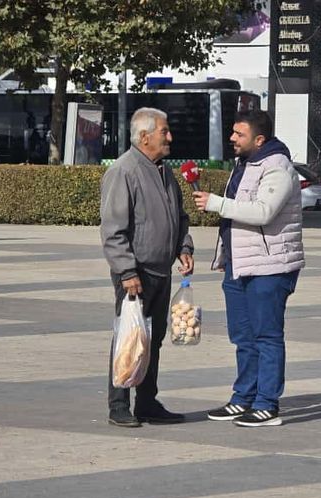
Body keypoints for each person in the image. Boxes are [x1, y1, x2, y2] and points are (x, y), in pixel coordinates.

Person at [192, 110, 304, 427]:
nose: (232, 138)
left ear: (259, 139)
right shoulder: (245, 165)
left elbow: (263, 212)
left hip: (270, 267)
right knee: (243, 336)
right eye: (232, 132)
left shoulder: (278, 167)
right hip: (239, 264)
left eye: (239, 134)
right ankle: (244, 398)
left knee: (267, 336)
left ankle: (267, 403)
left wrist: (216, 203)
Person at [100, 107, 194, 428]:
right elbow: (113, 228)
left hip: (161, 271)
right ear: (144, 137)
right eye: (164, 132)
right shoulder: (124, 171)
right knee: (129, 337)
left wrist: (184, 246)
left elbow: (179, 217)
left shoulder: (165, 172)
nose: (170, 137)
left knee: (153, 339)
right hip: (135, 273)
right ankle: (118, 404)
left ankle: (147, 401)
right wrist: (126, 271)